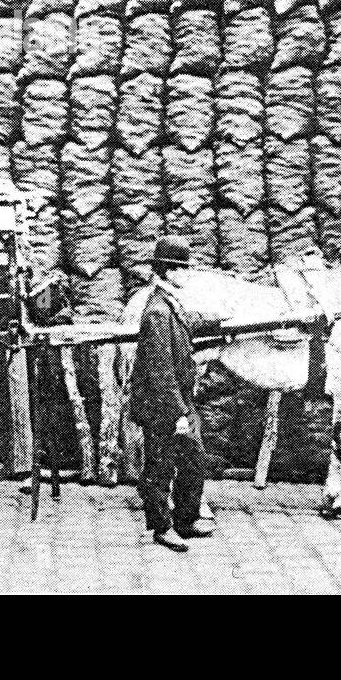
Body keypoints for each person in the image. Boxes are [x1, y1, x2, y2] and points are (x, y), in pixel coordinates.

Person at [129, 236, 217, 552]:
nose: (186, 274)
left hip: (178, 399)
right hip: (162, 403)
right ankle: (162, 528)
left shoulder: (170, 303)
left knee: (194, 458)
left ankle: (186, 518)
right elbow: (160, 371)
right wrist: (180, 413)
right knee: (159, 466)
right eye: (181, 268)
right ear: (166, 271)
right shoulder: (156, 313)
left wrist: (220, 319)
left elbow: (189, 320)